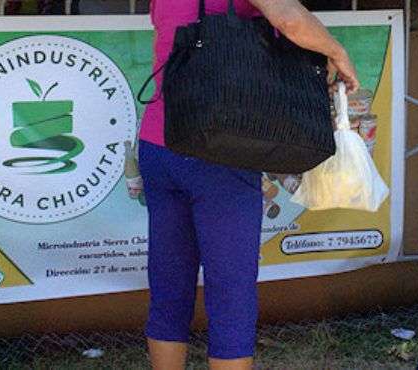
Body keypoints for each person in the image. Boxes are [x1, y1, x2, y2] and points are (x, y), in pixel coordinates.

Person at [139, 0, 358, 368]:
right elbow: (289, 19)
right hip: (219, 147)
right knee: (231, 295)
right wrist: (337, 52)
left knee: (169, 287)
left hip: (159, 143)